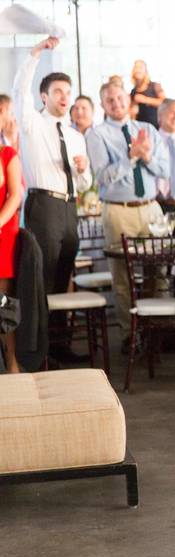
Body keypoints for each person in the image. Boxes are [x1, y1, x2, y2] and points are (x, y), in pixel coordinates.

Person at [13, 37, 92, 361]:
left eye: (67, 92)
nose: (64, 97)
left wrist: (84, 171)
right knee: (40, 279)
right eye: (57, 92)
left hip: (69, 207)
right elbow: (20, 92)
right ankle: (38, 351)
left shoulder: (74, 135)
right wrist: (34, 54)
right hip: (43, 206)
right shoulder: (33, 123)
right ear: (44, 97)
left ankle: (61, 346)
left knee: (63, 279)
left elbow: (86, 183)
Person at [85, 81, 171, 353]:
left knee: (159, 272)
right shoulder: (97, 135)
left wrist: (145, 157)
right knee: (122, 278)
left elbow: (165, 170)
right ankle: (129, 335)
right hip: (118, 210)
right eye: (109, 100)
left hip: (150, 209)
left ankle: (158, 330)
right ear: (103, 105)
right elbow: (102, 176)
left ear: (128, 100)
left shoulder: (147, 130)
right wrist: (130, 158)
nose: (116, 103)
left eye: (120, 98)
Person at [0, 97, 23, 373]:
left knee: (3, 304)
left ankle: (13, 363)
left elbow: (15, 196)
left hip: (4, 236)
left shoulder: (8, 154)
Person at [130, 60, 165, 129]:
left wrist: (145, 100)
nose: (137, 70)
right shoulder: (133, 91)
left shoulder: (155, 86)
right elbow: (133, 113)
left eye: (140, 67)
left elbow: (164, 103)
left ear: (146, 71)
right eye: (136, 67)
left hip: (156, 127)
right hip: (140, 128)